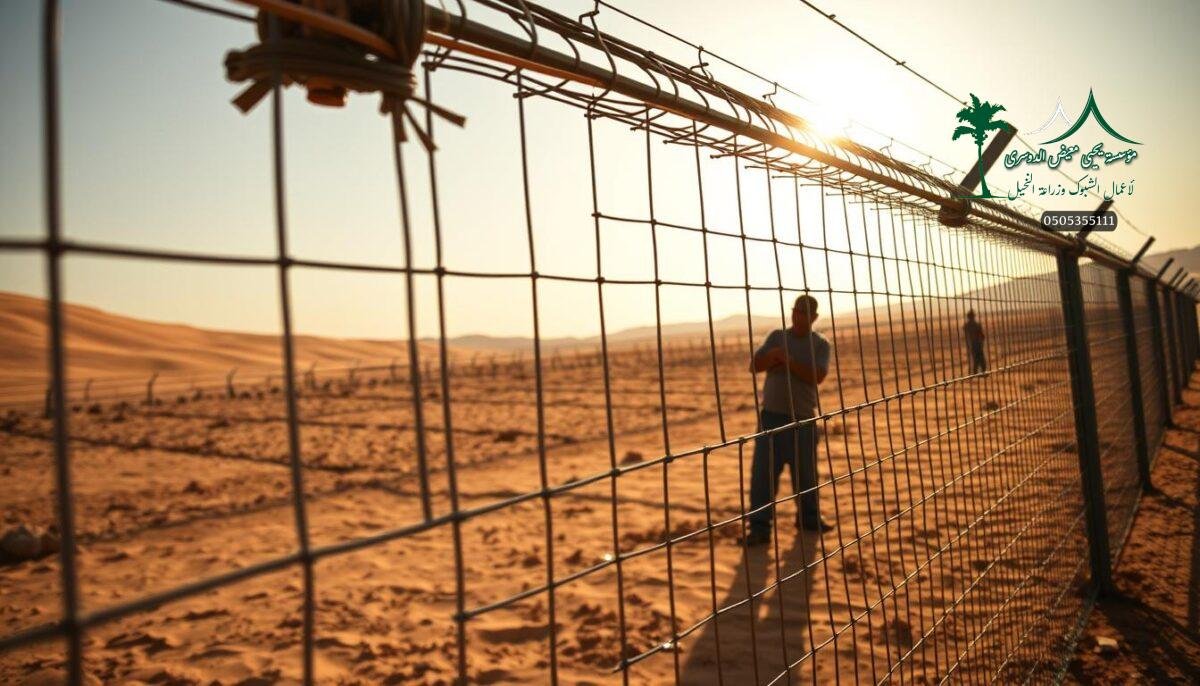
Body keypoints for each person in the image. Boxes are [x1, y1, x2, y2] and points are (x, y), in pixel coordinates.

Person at [743, 294, 834, 547]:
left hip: (803, 420)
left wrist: (789, 362)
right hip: (771, 419)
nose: (798, 316)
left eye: (805, 313)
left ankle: (809, 519)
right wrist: (772, 357)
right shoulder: (776, 337)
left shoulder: (820, 344)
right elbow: (754, 366)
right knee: (762, 476)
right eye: (796, 311)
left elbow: (817, 375)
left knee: (806, 476)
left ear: (814, 317)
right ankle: (759, 528)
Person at [963, 309, 987, 374]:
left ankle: (975, 371)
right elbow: (982, 335)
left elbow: (965, 333)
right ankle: (982, 371)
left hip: (972, 343)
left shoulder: (967, 325)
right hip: (977, 343)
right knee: (981, 358)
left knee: (975, 358)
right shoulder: (976, 324)